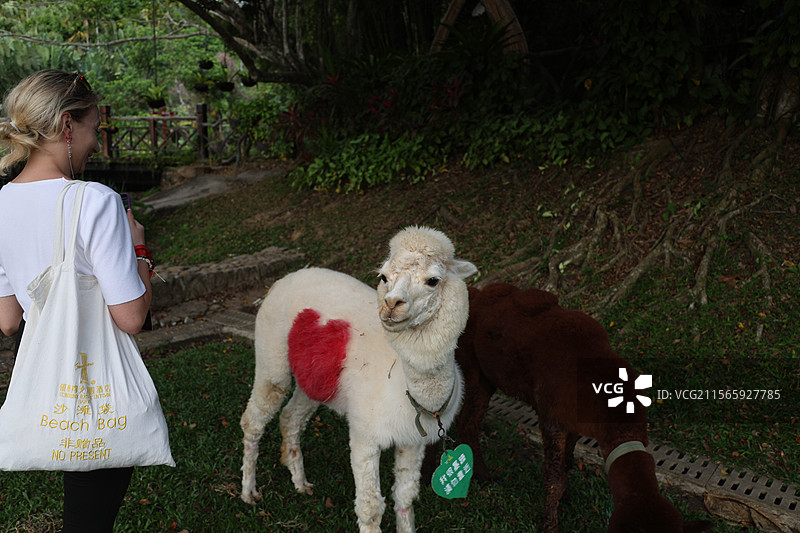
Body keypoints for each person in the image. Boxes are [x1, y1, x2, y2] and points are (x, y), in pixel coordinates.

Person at [0, 70, 155, 532]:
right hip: (93, 373)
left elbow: (8, 320)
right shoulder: (95, 201)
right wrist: (141, 250)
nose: (96, 142)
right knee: (91, 513)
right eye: (92, 128)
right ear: (68, 126)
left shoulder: (2, 202)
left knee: (81, 496)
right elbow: (131, 317)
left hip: (45, 367)